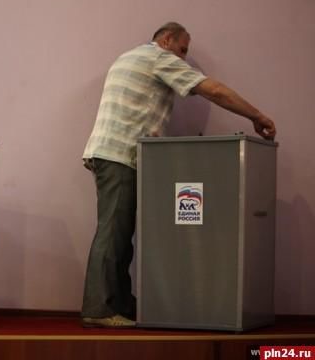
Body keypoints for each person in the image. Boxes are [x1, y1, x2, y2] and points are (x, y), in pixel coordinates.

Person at [80, 22, 276, 328]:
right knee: (113, 232)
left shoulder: (129, 56)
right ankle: (99, 309)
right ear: (167, 40)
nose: (183, 58)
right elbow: (214, 90)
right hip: (120, 154)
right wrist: (257, 115)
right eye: (182, 50)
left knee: (120, 233)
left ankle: (120, 303)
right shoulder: (158, 57)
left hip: (111, 152)